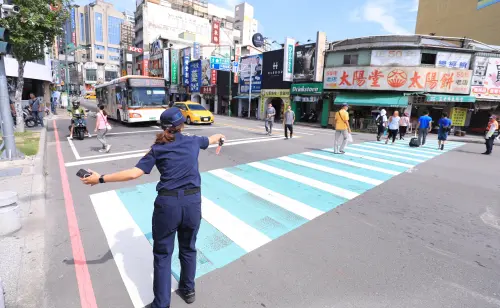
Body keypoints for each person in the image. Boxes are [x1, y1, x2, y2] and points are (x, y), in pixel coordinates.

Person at [81, 107, 225, 308]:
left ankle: (162, 304)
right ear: (181, 125)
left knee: (163, 256)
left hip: (168, 207)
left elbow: (133, 173)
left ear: (163, 126)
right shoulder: (193, 141)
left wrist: (101, 179)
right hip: (192, 204)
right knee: (188, 248)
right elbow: (213, 138)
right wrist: (220, 137)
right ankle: (188, 290)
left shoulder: (158, 148)